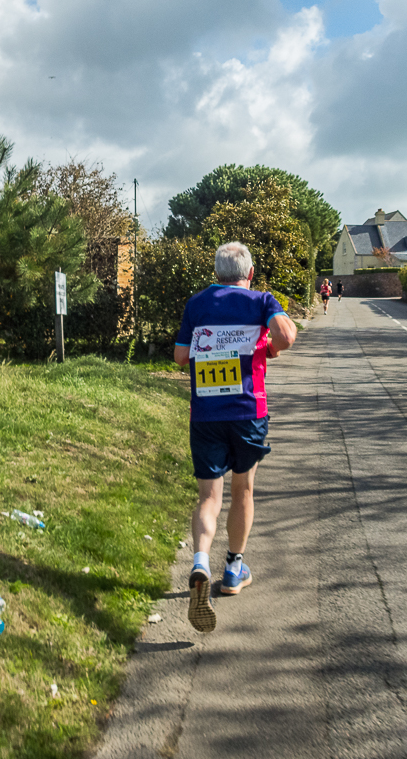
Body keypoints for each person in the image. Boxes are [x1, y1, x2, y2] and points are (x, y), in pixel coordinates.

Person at [174, 242, 297, 633]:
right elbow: (286, 338)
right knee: (243, 490)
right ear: (251, 272)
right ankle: (232, 570)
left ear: (216, 273)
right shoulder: (261, 300)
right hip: (248, 412)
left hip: (206, 413)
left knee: (209, 496)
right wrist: (268, 331)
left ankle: (199, 561)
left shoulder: (196, 303)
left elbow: (180, 357)